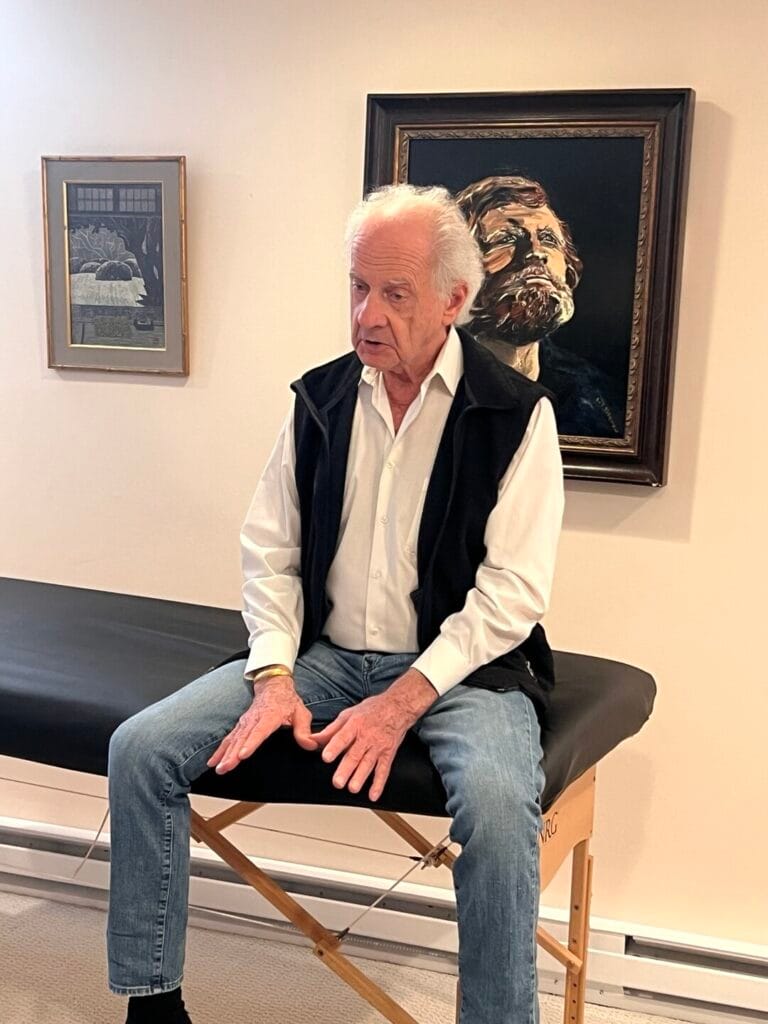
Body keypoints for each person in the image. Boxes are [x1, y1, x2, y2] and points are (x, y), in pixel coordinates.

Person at [107, 184, 564, 1024]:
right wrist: (274, 676)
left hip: (464, 675)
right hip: (325, 659)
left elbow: (512, 593)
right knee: (140, 749)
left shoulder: (516, 413)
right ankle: (154, 1006)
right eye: (358, 287)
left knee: (501, 813)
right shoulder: (319, 399)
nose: (367, 314)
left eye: (395, 293)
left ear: (454, 300)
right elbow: (270, 550)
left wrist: (403, 701)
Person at [456, 174, 626, 438]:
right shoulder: (427, 385)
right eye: (507, 239)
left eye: (548, 239)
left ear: (568, 267)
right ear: (459, 267)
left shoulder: (595, 395)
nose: (536, 251)